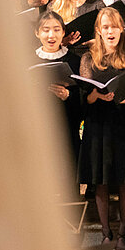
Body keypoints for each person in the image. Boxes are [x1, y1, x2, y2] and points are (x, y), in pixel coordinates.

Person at [78, 7, 125, 250]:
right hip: (99, 126)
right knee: (101, 182)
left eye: (115, 27)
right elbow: (85, 99)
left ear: (122, 29)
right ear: (98, 31)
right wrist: (96, 95)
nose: (110, 31)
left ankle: (123, 234)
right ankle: (105, 232)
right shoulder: (89, 58)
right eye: (105, 27)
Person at [33, 11, 82, 169]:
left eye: (56, 29)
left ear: (63, 33)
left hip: (67, 126)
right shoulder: (28, 59)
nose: (51, 35)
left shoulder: (75, 60)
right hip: (37, 127)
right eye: (45, 30)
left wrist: (68, 95)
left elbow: (84, 97)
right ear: (37, 33)